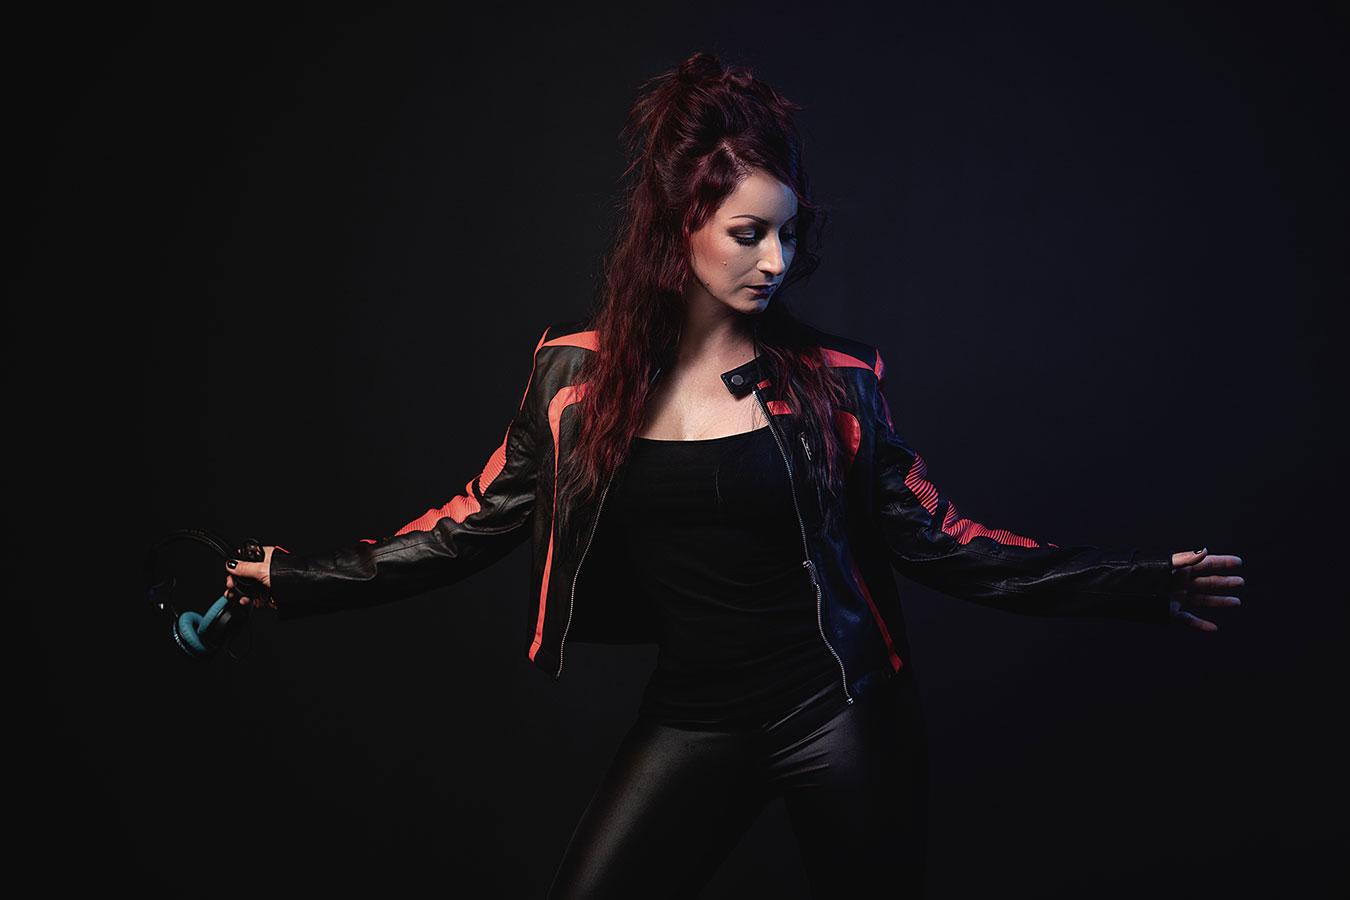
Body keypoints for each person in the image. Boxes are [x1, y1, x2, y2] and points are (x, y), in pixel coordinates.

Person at [223, 52, 1243, 899]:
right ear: (680, 230)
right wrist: (297, 579)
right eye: (749, 234)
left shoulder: (838, 383)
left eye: (788, 234)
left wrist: (1136, 583)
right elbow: (468, 524)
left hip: (840, 716)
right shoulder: (573, 379)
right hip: (693, 718)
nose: (776, 261)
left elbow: (948, 542)